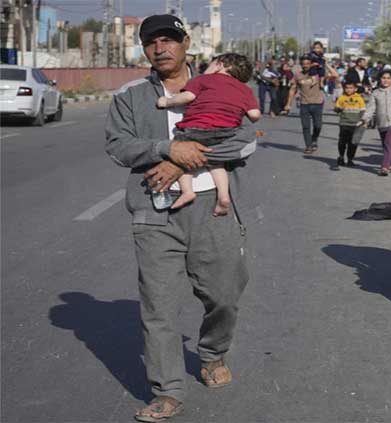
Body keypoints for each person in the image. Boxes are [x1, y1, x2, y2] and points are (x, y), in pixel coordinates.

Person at [105, 14, 257, 422]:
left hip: (214, 208)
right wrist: (166, 150)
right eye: (152, 41)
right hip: (153, 212)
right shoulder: (131, 95)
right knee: (158, 306)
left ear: (186, 42)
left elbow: (245, 140)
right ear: (144, 48)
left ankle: (212, 353)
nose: (161, 47)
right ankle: (168, 390)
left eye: (169, 39)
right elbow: (118, 145)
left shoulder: (227, 82)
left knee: (224, 294)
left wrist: (186, 160)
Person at [156, 53, 261, 216]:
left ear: (220, 64)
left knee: (183, 154)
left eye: (211, 64)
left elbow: (188, 96)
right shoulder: (244, 89)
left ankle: (187, 191)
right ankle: (224, 196)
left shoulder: (203, 80)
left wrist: (166, 102)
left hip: (196, 128)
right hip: (226, 132)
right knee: (217, 163)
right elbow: (254, 115)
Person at [283, 55, 325, 154]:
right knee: (306, 126)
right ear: (301, 65)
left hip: (317, 103)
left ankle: (314, 139)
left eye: (307, 64)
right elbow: (292, 89)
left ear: (311, 64)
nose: (305, 66)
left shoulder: (317, 74)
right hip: (304, 104)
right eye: (303, 64)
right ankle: (308, 146)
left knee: (318, 126)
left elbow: (334, 76)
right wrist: (288, 104)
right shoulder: (298, 75)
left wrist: (324, 65)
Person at [334, 80, 366, 168]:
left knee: (353, 143)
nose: (348, 90)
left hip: (356, 124)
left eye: (351, 88)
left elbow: (363, 111)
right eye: (347, 88)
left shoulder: (359, 98)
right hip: (344, 123)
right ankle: (341, 157)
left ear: (355, 89)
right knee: (342, 142)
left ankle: (350, 159)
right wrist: (338, 108)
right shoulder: (342, 97)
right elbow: (336, 109)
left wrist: (363, 121)